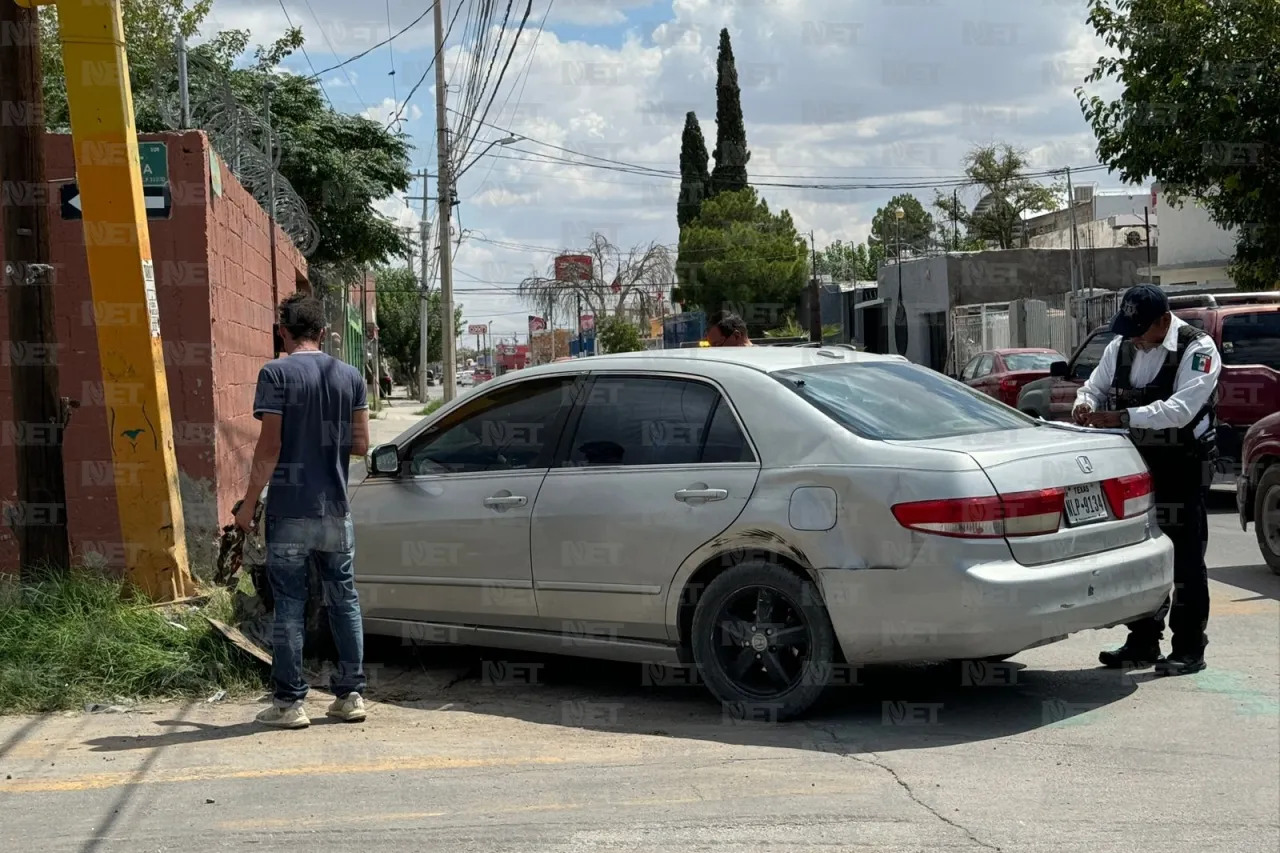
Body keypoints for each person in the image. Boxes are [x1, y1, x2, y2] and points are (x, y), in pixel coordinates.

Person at [236, 291, 371, 728]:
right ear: (323, 332)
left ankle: (290, 704)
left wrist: (249, 503)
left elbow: (269, 445)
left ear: (283, 332)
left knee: (290, 604)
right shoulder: (350, 376)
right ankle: (350, 696)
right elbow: (361, 445)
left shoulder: (275, 373)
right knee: (344, 599)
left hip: (290, 510)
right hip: (335, 509)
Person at [1072, 284, 1221, 676]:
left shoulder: (1198, 348)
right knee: (1138, 556)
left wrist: (1123, 417)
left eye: (1139, 328)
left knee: (1185, 558)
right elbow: (1094, 385)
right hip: (1134, 465)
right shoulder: (1120, 346)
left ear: (1163, 320)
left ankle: (1189, 646)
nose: (1132, 336)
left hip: (1183, 464)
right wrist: (1084, 404)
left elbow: (1181, 410)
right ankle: (1142, 641)